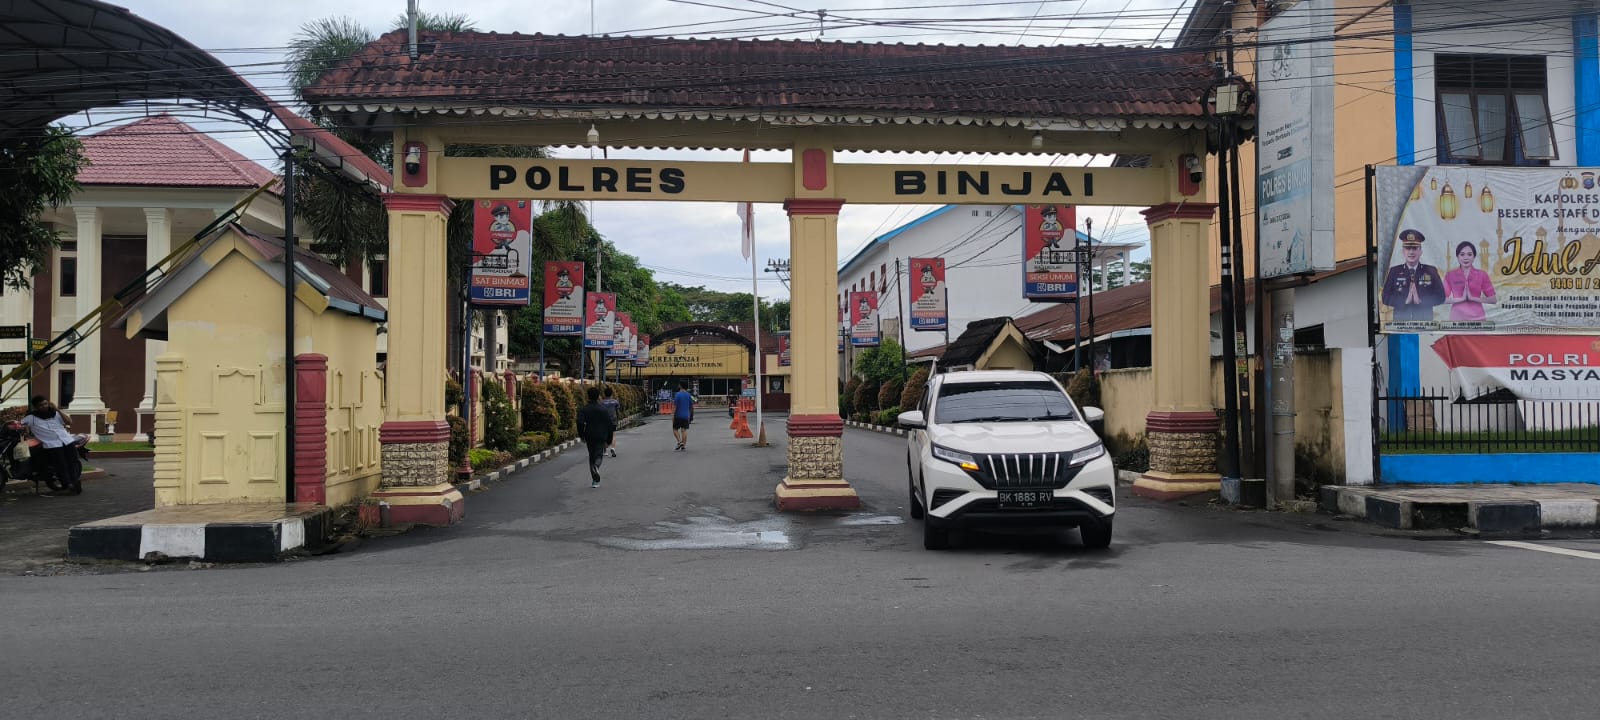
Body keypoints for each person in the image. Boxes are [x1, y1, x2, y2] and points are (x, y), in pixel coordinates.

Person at [1381, 228, 1445, 322]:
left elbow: (1441, 296)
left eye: (1415, 248)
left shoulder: (1431, 271)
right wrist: (1405, 301)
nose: (1411, 252)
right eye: (1407, 248)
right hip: (1401, 324)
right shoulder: (1394, 271)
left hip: (1424, 324)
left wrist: (1420, 301)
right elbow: (1385, 297)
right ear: (1403, 251)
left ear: (1420, 252)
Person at [22, 396, 80, 495]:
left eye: (45, 403)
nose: (44, 406)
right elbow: (21, 424)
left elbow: (69, 421)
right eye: (41, 405)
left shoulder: (56, 413)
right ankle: (67, 485)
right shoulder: (31, 417)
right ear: (36, 407)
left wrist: (57, 409)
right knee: (61, 465)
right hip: (52, 444)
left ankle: (76, 483)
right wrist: (25, 428)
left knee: (72, 463)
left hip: (67, 440)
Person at [1444, 241, 1497, 322]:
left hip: (1477, 318)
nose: (1466, 258)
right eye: (1462, 254)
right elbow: (1442, 299)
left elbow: (1493, 299)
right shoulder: (1450, 275)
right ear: (1457, 256)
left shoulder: (1482, 275)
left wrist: (1473, 298)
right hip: (1457, 318)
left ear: (1474, 257)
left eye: (1469, 254)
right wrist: (1461, 299)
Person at [577, 386, 615, 488]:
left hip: (589, 435)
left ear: (588, 396)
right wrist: (609, 439)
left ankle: (595, 479)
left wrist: (581, 435)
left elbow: (580, 423)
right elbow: (609, 425)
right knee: (599, 455)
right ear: (598, 396)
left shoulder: (584, 409)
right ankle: (596, 470)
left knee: (591, 456)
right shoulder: (603, 410)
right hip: (601, 435)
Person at [672, 381, 695, 451]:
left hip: (678, 415)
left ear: (680, 386)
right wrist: (690, 415)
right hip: (686, 416)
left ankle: (679, 442)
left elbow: (675, 406)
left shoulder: (677, 395)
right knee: (684, 430)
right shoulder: (689, 395)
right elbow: (691, 407)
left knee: (675, 429)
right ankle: (683, 445)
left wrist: (673, 415)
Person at [600, 386, 622, 457]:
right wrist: (618, 419)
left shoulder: (601, 403)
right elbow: (617, 412)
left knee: (604, 435)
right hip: (613, 420)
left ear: (604, 394)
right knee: (613, 435)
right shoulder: (615, 402)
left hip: (604, 421)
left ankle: (605, 451)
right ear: (611, 394)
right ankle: (613, 448)